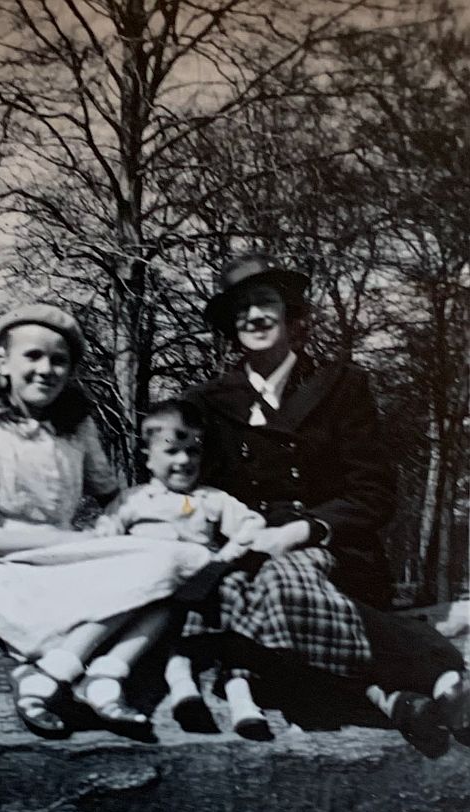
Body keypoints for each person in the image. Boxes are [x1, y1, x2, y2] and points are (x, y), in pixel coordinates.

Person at [174, 251, 469, 757]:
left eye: (265, 302)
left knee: (279, 579)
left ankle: (407, 681)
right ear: (230, 324)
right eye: (240, 308)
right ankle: (427, 676)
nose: (254, 316)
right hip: (248, 551)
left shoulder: (341, 387)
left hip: (339, 554)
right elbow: (193, 493)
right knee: (257, 584)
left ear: (290, 314)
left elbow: (374, 495)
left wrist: (302, 530)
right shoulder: (207, 401)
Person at [0, 303, 211, 738]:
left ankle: (95, 675)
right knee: (172, 566)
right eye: (33, 356)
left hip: (71, 558)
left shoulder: (77, 430)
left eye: (59, 360)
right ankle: (62, 673)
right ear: (3, 363)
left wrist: (168, 514)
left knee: (184, 567)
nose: (46, 369)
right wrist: (62, 538)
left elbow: (116, 497)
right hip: (9, 571)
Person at [93, 399, 268, 733]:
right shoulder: (133, 500)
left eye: (193, 451)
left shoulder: (210, 498)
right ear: (148, 457)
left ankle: (235, 693)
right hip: (148, 595)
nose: (184, 461)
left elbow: (251, 524)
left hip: (197, 591)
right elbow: (104, 537)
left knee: (225, 601)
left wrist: (222, 557)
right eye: (172, 452)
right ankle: (182, 688)